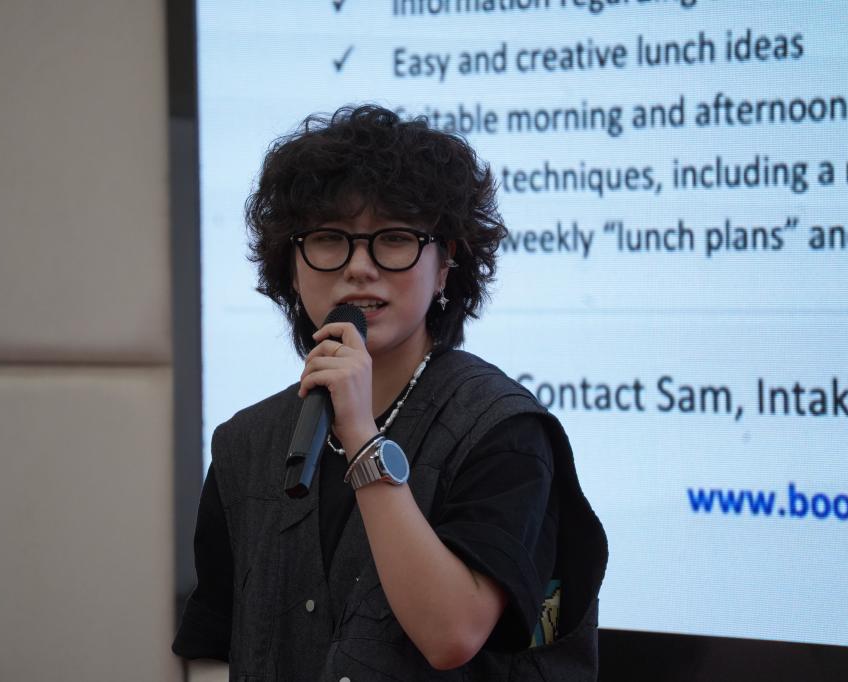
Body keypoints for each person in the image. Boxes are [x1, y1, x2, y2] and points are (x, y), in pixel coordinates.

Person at [173, 104, 607, 680]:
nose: (359, 267)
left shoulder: (504, 430)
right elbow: (216, 648)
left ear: (445, 265)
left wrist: (361, 437)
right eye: (329, 238)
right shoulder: (245, 442)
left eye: (395, 238)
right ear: (291, 266)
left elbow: (452, 634)